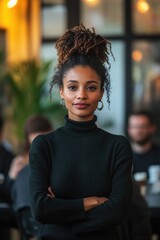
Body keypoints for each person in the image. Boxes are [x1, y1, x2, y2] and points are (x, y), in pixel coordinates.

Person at [29, 23, 133, 240]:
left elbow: (118, 210)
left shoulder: (117, 146)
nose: (81, 95)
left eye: (91, 87)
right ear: (61, 92)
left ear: (102, 92)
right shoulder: (44, 145)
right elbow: (39, 209)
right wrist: (90, 202)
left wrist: (61, 217)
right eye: (73, 87)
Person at [11, 114, 53, 240]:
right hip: (29, 219)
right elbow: (10, 193)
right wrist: (12, 177)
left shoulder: (58, 157)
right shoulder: (20, 163)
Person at [127, 109, 160, 178]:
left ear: (152, 128)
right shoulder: (121, 156)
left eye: (143, 126)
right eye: (135, 127)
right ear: (129, 129)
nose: (139, 131)